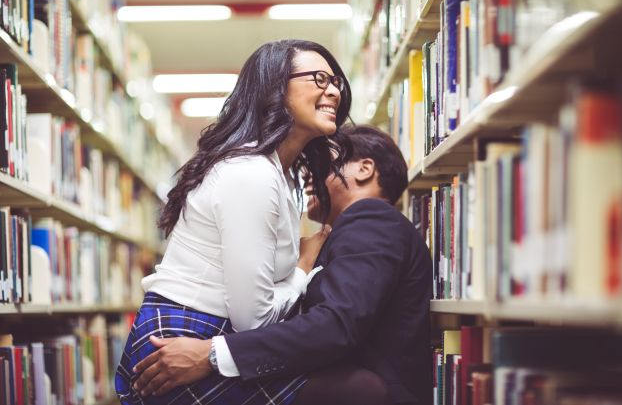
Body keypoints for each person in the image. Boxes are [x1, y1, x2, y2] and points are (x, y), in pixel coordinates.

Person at [115, 39, 353, 405]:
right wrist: (304, 268)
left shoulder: (281, 176)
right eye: (320, 78)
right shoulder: (250, 174)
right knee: (358, 389)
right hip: (184, 335)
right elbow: (254, 320)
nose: (334, 90)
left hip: (207, 330)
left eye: (336, 80)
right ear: (275, 88)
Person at [132, 125, 434, 405]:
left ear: (364, 169)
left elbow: (335, 325)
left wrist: (212, 353)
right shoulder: (350, 231)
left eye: (321, 164)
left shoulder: (371, 220)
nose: (306, 177)